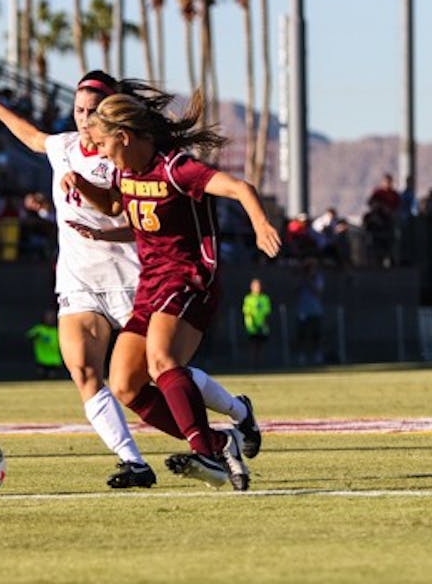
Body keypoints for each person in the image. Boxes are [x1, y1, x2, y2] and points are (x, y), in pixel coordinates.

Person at [0, 71, 260, 490]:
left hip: (132, 277)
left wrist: (102, 221)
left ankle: (235, 411)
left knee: (162, 367)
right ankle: (136, 460)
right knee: (91, 373)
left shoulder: (123, 155)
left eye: (92, 112)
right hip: (78, 281)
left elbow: (144, 220)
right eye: (78, 110)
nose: (84, 119)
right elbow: (32, 137)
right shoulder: (64, 146)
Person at [79, 86, 281, 491]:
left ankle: (205, 455)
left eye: (102, 143)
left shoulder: (176, 168)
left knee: (161, 358)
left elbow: (241, 188)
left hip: (190, 276)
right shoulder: (125, 170)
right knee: (123, 384)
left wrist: (260, 224)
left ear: (124, 136)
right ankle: (217, 443)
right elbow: (122, 209)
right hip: (150, 284)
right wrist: (86, 196)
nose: (99, 153)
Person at [295, 258, 325, 365]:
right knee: (302, 334)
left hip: (316, 311)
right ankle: (301, 356)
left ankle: (317, 355)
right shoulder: (302, 278)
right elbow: (296, 289)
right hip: (303, 311)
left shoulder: (318, 278)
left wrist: (309, 280)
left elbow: (318, 292)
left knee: (316, 334)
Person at [242, 278, 272, 369]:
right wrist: (251, 322)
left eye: (259, 286)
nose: (257, 288)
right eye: (255, 286)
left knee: (261, 346)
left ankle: (261, 365)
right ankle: (252, 365)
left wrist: (264, 323)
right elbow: (246, 311)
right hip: (252, 327)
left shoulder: (264, 298)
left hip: (262, 326)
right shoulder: (248, 298)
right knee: (253, 346)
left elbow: (267, 311)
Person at [27, 310, 64, 378]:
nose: (50, 319)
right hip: (41, 360)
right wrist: (36, 336)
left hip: (55, 361)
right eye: (48, 317)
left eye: (52, 317)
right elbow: (29, 337)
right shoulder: (39, 329)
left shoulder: (58, 330)